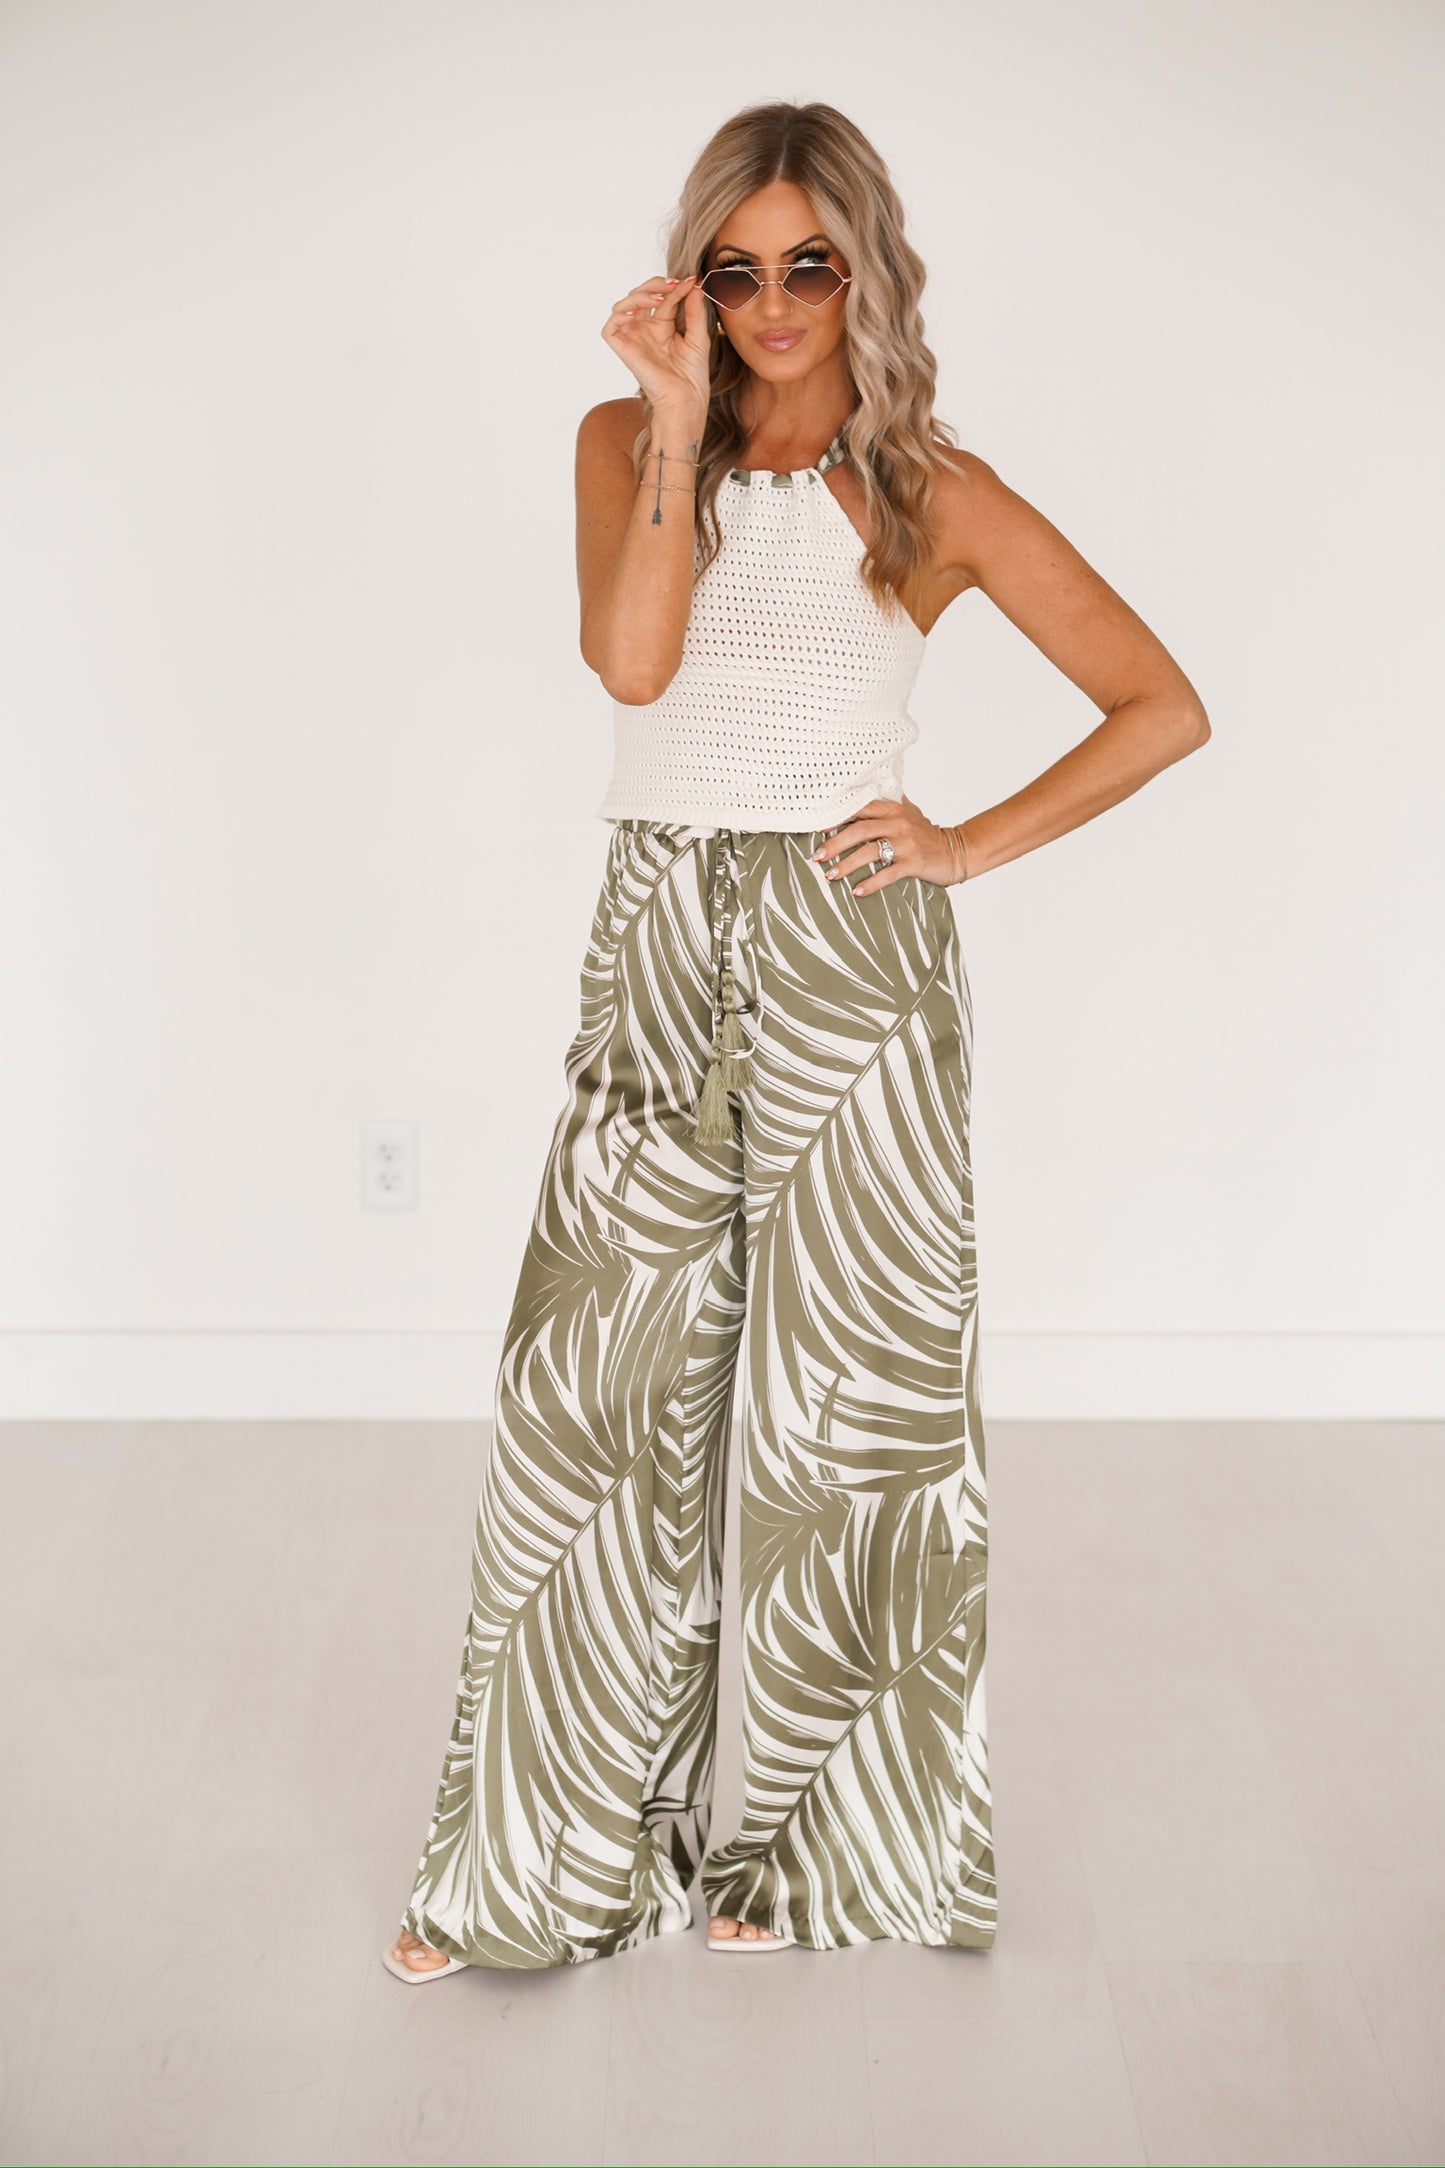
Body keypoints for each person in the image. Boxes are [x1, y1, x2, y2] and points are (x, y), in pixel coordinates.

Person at [382, 98, 1209, 1981]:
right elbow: (635, 667)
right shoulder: (618, 437)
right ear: (697, 281)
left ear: (868, 272)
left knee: (855, 1434)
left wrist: (959, 846)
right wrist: (676, 429)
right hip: (661, 936)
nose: (771, 303)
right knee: (593, 1415)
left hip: (857, 968)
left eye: (807, 265)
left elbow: (1159, 705)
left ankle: (815, 1861)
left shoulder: (933, 490)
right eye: (737, 268)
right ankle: (539, 1865)